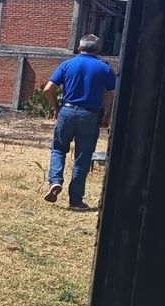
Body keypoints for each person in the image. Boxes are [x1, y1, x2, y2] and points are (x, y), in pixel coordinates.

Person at [43, 34, 117, 210]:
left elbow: (48, 89)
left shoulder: (67, 64)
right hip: (89, 115)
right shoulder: (104, 68)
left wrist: (56, 108)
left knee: (58, 149)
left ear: (79, 48)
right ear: (98, 50)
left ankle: (55, 181)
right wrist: (107, 115)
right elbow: (112, 94)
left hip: (67, 111)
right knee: (83, 158)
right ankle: (75, 200)